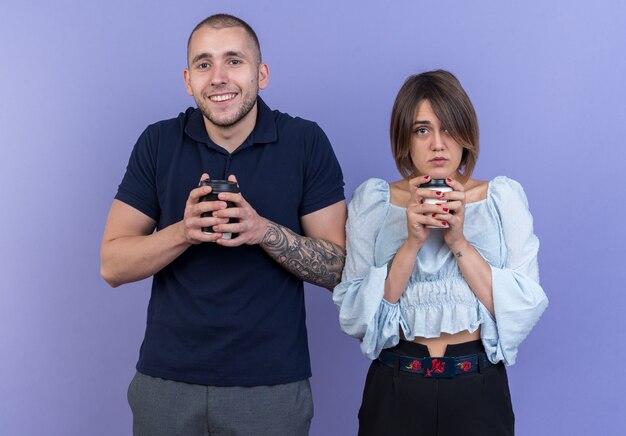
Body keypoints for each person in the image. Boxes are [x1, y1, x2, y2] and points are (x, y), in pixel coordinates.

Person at [100, 13, 346, 436]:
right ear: (187, 79)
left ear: (261, 73)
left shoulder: (305, 142)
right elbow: (112, 265)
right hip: (167, 382)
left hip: (272, 386)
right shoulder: (158, 142)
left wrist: (261, 230)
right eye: (203, 64)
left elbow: (338, 269)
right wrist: (183, 231)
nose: (218, 77)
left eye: (234, 61)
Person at [333, 70, 548, 436]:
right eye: (422, 130)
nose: (438, 144)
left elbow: (522, 309)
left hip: (477, 389)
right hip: (396, 387)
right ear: (405, 137)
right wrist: (412, 242)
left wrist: (458, 241)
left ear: (467, 133)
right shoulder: (374, 201)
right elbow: (359, 320)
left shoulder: (501, 198)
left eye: (449, 128)